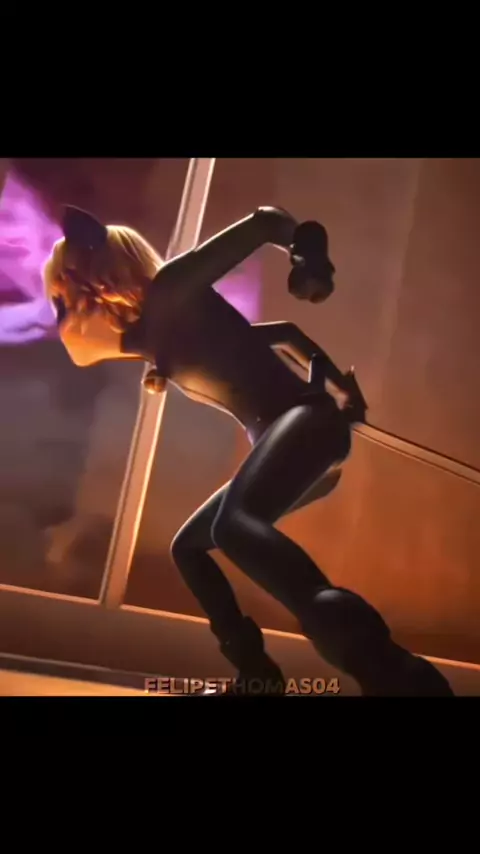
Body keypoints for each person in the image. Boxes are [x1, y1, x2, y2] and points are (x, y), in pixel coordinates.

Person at [43, 204, 453, 697]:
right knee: (190, 548)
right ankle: (257, 675)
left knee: (233, 527)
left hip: (307, 420)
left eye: (65, 294)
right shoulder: (151, 337)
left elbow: (266, 222)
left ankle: (392, 672)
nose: (64, 308)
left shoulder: (173, 288)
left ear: (94, 276)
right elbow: (282, 335)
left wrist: (309, 257)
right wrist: (336, 380)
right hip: (286, 434)